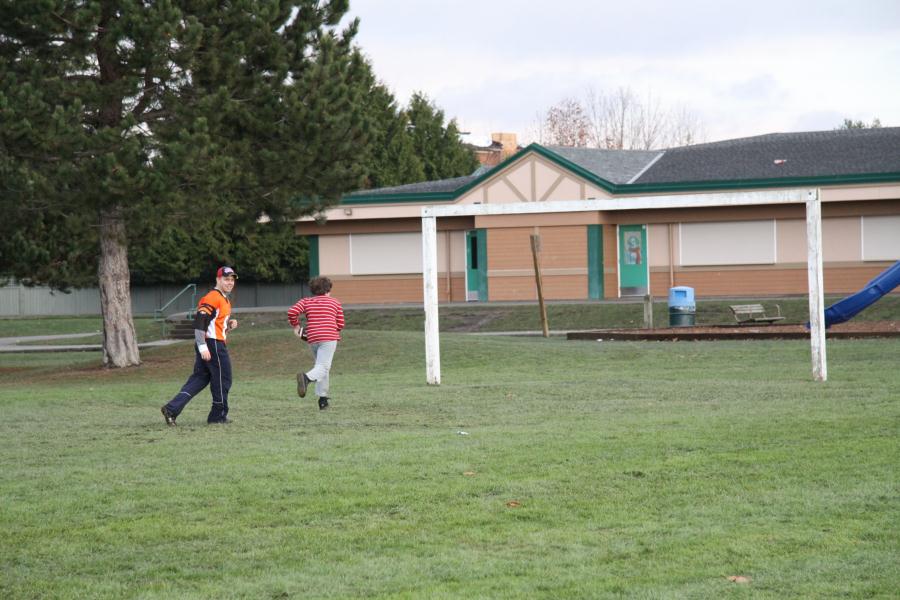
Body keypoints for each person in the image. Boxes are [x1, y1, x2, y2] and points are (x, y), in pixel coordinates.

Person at [161, 266, 239, 425]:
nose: (230, 282)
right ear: (218, 280)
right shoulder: (212, 297)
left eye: (232, 280)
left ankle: (171, 409)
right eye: (226, 279)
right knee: (223, 379)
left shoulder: (224, 299)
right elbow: (200, 322)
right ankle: (217, 417)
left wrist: (228, 325)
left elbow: (213, 324)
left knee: (200, 379)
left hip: (212, 342)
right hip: (213, 345)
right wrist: (202, 346)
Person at [287, 276, 345, 410]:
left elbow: (292, 312)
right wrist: (333, 329)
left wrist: (296, 326)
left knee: (321, 366)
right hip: (329, 337)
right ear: (328, 289)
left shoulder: (306, 301)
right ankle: (306, 378)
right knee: (323, 367)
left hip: (312, 338)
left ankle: (323, 399)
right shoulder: (335, 303)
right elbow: (341, 324)